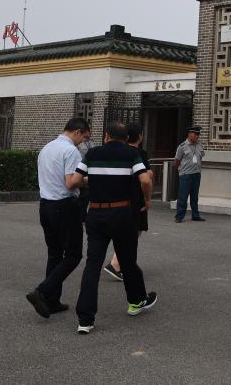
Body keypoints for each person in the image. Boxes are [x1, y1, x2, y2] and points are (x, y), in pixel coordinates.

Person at [74, 122, 158, 334]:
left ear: (106, 136)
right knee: (128, 261)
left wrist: (94, 180)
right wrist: (147, 199)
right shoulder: (131, 153)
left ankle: (85, 319)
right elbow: (145, 180)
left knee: (92, 265)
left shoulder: (92, 153)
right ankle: (136, 302)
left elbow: (75, 180)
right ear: (126, 138)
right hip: (122, 214)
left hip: (95, 213)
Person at [26, 117, 91, 318]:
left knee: (54, 254)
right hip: (64, 206)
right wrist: (89, 180)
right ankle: (42, 291)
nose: (82, 142)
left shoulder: (46, 148)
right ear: (78, 131)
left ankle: (52, 301)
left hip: (45, 205)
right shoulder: (70, 151)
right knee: (73, 255)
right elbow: (71, 183)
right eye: (84, 138)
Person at [104, 122, 150, 281]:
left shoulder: (117, 152)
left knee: (126, 231)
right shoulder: (138, 153)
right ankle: (117, 263)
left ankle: (122, 263)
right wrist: (148, 198)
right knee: (134, 230)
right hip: (136, 198)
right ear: (140, 136)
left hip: (116, 197)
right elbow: (146, 178)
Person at [174, 126, 205, 223]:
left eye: (198, 134)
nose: (197, 136)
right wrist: (181, 171)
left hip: (196, 174)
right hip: (186, 175)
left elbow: (201, 157)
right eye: (195, 134)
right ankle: (179, 216)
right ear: (189, 134)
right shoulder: (182, 146)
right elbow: (177, 161)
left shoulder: (199, 145)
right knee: (183, 197)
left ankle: (195, 215)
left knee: (195, 197)